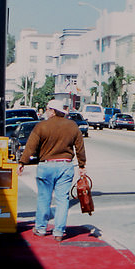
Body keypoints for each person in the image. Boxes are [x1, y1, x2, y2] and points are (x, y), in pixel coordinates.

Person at [18, 99, 87, 242]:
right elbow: (80, 147)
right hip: (65, 165)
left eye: (48, 108)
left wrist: (22, 162)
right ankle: (59, 232)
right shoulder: (72, 126)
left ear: (53, 111)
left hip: (46, 165)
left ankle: (41, 228)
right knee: (62, 200)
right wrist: (82, 165)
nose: (46, 111)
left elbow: (31, 146)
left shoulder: (42, 126)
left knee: (44, 198)